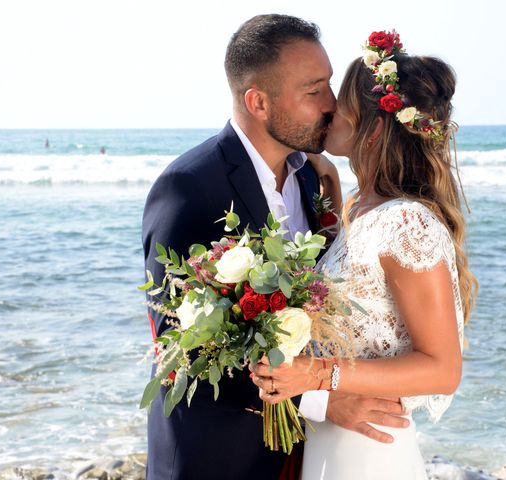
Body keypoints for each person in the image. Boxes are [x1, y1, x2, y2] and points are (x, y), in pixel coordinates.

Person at [142, 16, 409, 480]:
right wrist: (326, 398)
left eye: (328, 84)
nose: (332, 104)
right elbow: (182, 344)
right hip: (215, 456)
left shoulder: (312, 177)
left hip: (300, 452)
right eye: (314, 90)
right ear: (258, 101)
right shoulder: (189, 187)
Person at [250, 30, 478, 479]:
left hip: (369, 448)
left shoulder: (408, 223)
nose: (329, 107)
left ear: (373, 129)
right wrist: (331, 197)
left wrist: (316, 376)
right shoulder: (359, 206)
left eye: (342, 102)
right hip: (331, 440)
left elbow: (442, 369)